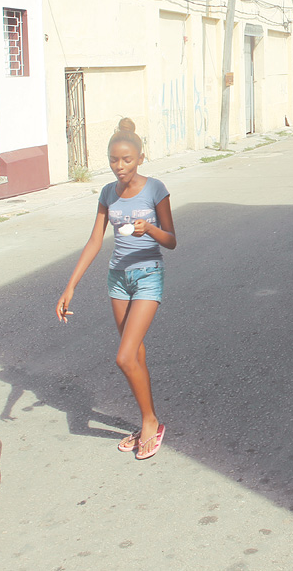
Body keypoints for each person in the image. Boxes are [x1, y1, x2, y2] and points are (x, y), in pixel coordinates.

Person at [56, 119, 177, 461]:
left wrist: (148, 228)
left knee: (124, 356)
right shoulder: (108, 193)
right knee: (135, 354)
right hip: (118, 280)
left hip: (148, 276)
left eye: (126, 159)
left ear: (140, 158)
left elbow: (171, 240)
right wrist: (70, 287)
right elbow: (95, 241)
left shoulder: (155, 189)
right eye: (113, 160)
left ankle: (150, 421)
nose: (119, 166)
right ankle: (146, 420)